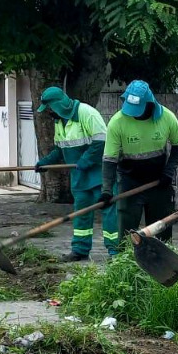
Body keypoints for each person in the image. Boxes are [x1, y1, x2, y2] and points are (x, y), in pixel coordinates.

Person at [35, 86, 117, 260]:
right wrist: (45, 163)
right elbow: (60, 149)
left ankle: (115, 251)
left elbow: (101, 143)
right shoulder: (59, 122)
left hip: (99, 174)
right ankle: (80, 249)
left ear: (58, 105)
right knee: (81, 213)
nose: (48, 113)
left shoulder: (87, 113)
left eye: (49, 108)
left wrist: (85, 161)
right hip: (79, 176)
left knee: (109, 211)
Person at [100, 80, 178, 244]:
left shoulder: (166, 117)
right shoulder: (117, 122)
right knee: (126, 231)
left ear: (149, 104)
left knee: (162, 229)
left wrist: (169, 171)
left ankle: (161, 264)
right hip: (129, 181)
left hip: (159, 181)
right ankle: (124, 263)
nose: (133, 113)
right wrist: (106, 190)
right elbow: (109, 159)